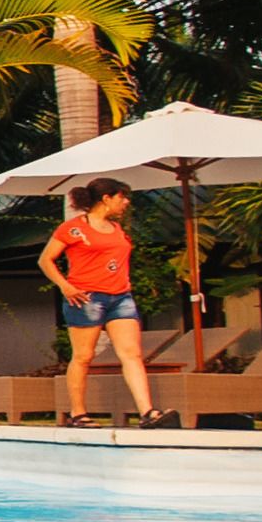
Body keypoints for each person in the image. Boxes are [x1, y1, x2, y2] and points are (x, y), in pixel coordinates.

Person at [40, 177, 155, 424]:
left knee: (132, 354)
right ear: (106, 198)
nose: (125, 203)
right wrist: (66, 287)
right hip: (87, 297)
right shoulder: (73, 228)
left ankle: (147, 411)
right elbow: (46, 259)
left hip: (121, 296)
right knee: (83, 356)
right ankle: (78, 413)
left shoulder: (117, 229)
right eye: (122, 197)